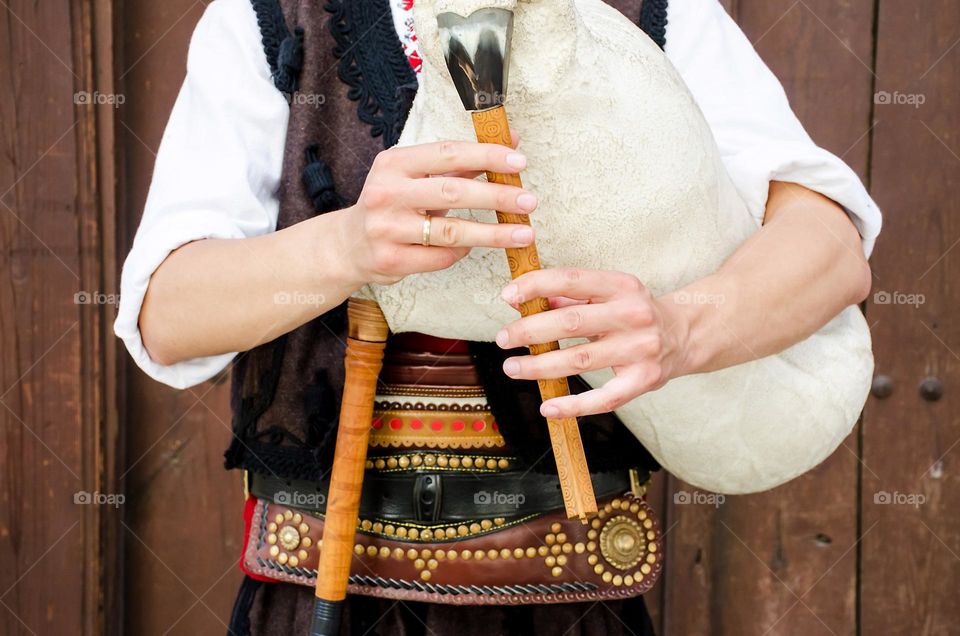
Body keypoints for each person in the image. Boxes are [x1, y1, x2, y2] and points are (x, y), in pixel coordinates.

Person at [114, 0, 881, 634]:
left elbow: (830, 246)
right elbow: (165, 314)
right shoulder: (270, 19)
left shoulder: (654, 11)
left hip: (571, 599)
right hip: (318, 597)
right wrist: (347, 245)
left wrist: (683, 327)